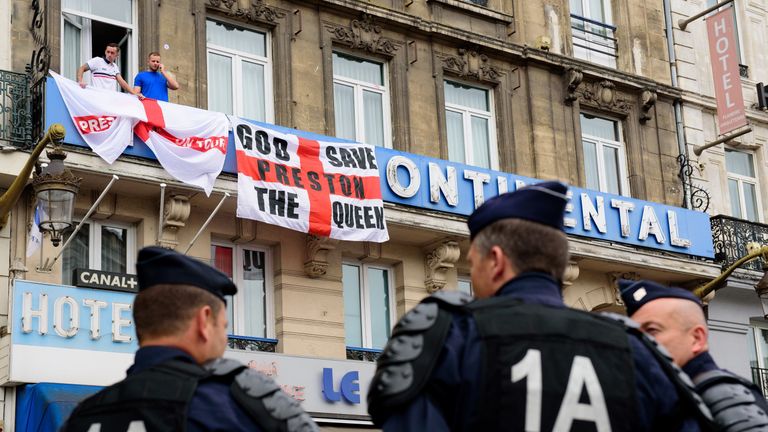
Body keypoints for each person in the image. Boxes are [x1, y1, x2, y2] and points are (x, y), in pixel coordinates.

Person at [368, 181, 713, 431]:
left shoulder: (450, 335)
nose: (472, 276)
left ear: (496, 261)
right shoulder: (636, 350)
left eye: (472, 264)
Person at [61, 246, 318, 432]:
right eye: (223, 326)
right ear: (204, 322)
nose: (224, 339)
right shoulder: (239, 408)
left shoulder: (82, 416)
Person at [620, 279, 768, 431]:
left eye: (652, 330)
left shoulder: (725, 396)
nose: (639, 342)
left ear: (697, 338)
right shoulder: (655, 395)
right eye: (634, 334)